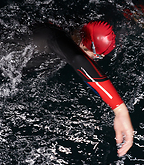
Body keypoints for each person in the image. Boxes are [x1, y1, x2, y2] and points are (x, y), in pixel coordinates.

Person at [31, 21, 134, 157]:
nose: (93, 60)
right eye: (93, 55)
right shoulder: (56, 38)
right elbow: (78, 58)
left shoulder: (73, 27)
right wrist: (120, 110)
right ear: (84, 45)